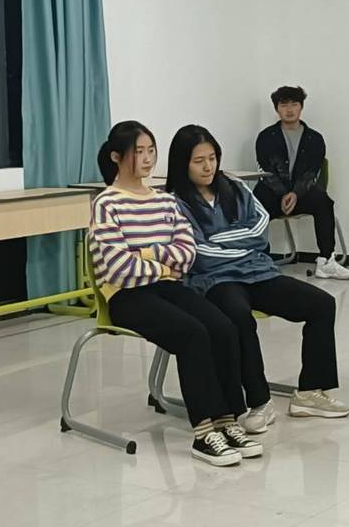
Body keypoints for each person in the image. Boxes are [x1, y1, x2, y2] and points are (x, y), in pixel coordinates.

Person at [89, 121, 262, 467]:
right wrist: (162, 264)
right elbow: (116, 267)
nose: (147, 158)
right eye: (138, 152)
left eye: (151, 150)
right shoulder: (106, 203)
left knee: (223, 326)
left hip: (168, 287)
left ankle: (227, 420)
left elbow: (187, 252)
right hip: (126, 297)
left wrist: (146, 255)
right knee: (192, 333)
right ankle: (204, 432)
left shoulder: (165, 201)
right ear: (116, 157)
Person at [166, 124, 349, 427]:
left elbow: (260, 228)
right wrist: (239, 244)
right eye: (199, 161)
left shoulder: (235, 187)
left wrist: (222, 241)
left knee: (321, 304)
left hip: (258, 272)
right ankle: (259, 402)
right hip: (215, 279)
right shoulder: (175, 202)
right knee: (238, 316)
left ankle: (310, 393)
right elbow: (197, 250)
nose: (208, 166)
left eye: (212, 158)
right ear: (182, 163)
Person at [253, 85, 349, 280]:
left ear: (301, 107)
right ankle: (261, 260)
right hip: (273, 192)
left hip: (301, 193)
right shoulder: (266, 137)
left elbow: (312, 172)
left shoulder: (315, 139)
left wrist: (295, 194)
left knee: (324, 202)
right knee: (255, 203)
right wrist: (283, 193)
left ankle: (326, 261)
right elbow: (265, 171)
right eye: (284, 105)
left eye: (294, 104)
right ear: (276, 109)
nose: (289, 109)